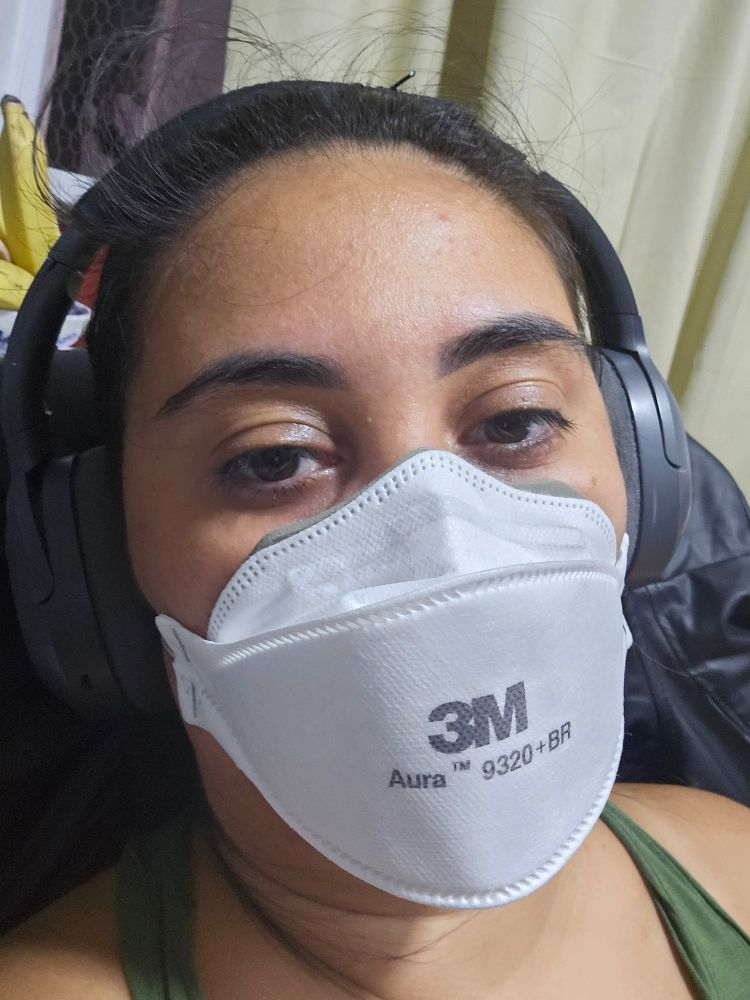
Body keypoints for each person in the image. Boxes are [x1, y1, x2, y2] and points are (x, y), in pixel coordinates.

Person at [0, 78, 749, 999]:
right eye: (275, 457)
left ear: (639, 473)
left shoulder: (734, 863)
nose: (440, 543)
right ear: (96, 562)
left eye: (515, 421)